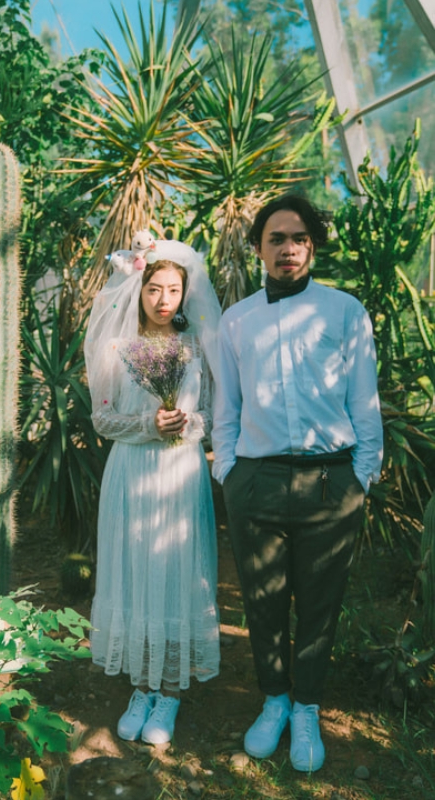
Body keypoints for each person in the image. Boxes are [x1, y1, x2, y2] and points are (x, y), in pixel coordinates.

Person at [211, 195, 383, 773]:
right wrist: (227, 473)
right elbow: (226, 408)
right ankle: (274, 700)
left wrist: (360, 477)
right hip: (255, 482)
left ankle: (307, 707)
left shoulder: (343, 312)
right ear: (258, 247)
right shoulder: (237, 321)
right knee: (261, 601)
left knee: (318, 602)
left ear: (313, 245)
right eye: (277, 238)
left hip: (331, 482)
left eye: (300, 238)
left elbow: (365, 403)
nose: (289, 248)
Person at [84, 239, 223, 745]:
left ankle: (169, 691)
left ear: (185, 293)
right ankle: (140, 687)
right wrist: (148, 422)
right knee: (134, 572)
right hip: (132, 474)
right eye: (154, 289)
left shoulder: (194, 349)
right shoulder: (114, 350)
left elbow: (210, 414)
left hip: (180, 477)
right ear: (137, 289)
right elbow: (102, 419)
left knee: (175, 575)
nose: (164, 299)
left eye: (173, 289)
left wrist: (186, 423)